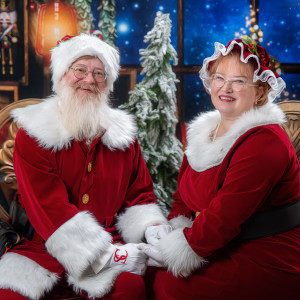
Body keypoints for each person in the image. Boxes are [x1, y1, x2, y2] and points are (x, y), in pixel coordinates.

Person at [0, 33, 171, 299]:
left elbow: (140, 195)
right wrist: (115, 255)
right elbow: (50, 210)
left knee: (132, 289)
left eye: (99, 74)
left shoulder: (124, 138)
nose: (89, 80)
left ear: (108, 83)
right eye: (80, 70)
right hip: (44, 250)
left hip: (109, 241)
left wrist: (152, 228)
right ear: (61, 75)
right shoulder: (34, 134)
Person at [140, 38, 300, 299]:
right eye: (219, 78)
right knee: (145, 274)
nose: (226, 88)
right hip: (216, 242)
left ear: (259, 92)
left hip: (264, 252)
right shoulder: (205, 132)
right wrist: (175, 228)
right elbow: (182, 197)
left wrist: (177, 250)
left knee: (164, 284)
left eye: (239, 81)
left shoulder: (265, 142)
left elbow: (224, 217)